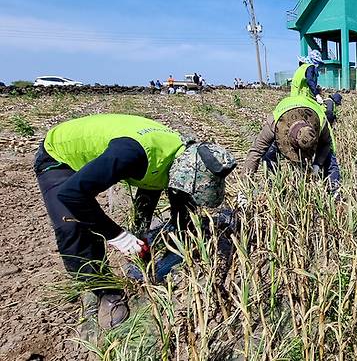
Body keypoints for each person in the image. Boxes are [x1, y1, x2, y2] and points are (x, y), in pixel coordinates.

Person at [33, 114, 236, 329]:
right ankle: (103, 291)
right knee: (72, 224)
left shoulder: (175, 153)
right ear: (183, 171)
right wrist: (118, 237)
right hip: (59, 157)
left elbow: (148, 192)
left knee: (175, 202)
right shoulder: (132, 155)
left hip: (122, 150)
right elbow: (72, 194)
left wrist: (139, 238)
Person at [243, 95, 339, 191]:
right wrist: (245, 187)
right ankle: (273, 183)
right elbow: (256, 151)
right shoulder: (275, 122)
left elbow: (326, 143)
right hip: (286, 110)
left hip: (311, 107)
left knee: (329, 157)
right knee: (269, 154)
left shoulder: (321, 122)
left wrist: (317, 164)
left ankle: (333, 190)